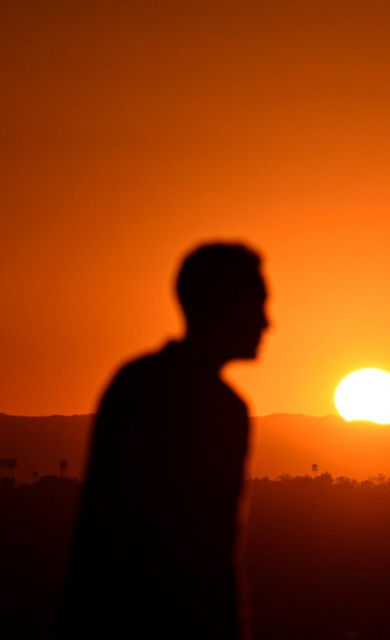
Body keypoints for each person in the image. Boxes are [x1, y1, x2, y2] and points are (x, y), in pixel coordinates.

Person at [59, 242, 269, 639]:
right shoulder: (220, 409)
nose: (266, 321)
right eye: (257, 303)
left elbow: (93, 530)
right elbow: (213, 552)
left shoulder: (134, 383)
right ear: (223, 307)